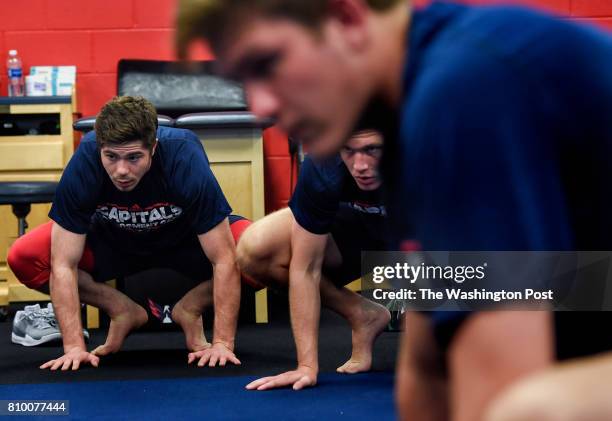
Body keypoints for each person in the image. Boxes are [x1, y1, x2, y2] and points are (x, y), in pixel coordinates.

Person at [176, 0, 612, 419]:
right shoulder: (404, 116)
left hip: (585, 284)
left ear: (346, 18)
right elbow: (425, 369)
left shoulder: (464, 90)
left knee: (527, 410)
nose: (261, 106)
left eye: (268, 64)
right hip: (581, 281)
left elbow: (498, 388)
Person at [8, 96, 247, 371]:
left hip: (184, 241)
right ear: (100, 148)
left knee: (258, 250)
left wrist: (222, 344)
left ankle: (189, 308)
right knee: (24, 256)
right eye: (111, 157)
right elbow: (63, 262)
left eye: (134, 157)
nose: (121, 170)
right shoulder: (85, 158)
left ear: (153, 147)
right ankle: (121, 309)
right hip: (114, 242)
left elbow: (224, 258)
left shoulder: (183, 155)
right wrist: (74, 347)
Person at [238, 129, 391, 391]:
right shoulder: (323, 162)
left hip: (415, 235)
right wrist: (306, 366)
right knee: (255, 249)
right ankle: (361, 314)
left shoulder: (430, 153)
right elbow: (305, 269)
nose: (361, 166)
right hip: (350, 231)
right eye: (349, 150)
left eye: (372, 149)